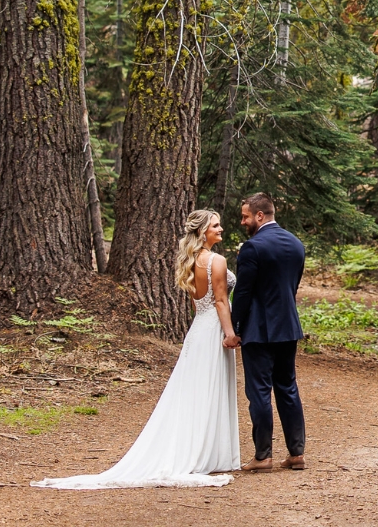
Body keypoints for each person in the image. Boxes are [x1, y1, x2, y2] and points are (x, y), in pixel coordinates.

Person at [32, 210, 241, 489]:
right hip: (214, 328)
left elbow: (197, 303)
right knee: (208, 388)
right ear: (203, 231)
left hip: (198, 329)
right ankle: (203, 452)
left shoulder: (192, 261)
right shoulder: (216, 261)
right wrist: (229, 334)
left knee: (195, 390)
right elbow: (219, 300)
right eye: (215, 225)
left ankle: (205, 450)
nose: (221, 228)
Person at [232, 193, 308, 471]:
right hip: (288, 326)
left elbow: (243, 292)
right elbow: (292, 286)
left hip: (258, 329)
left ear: (260, 215)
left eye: (245, 216)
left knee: (260, 391)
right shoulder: (296, 244)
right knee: (288, 387)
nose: (243, 221)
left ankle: (263, 456)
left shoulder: (253, 248)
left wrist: (235, 326)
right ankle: (297, 453)